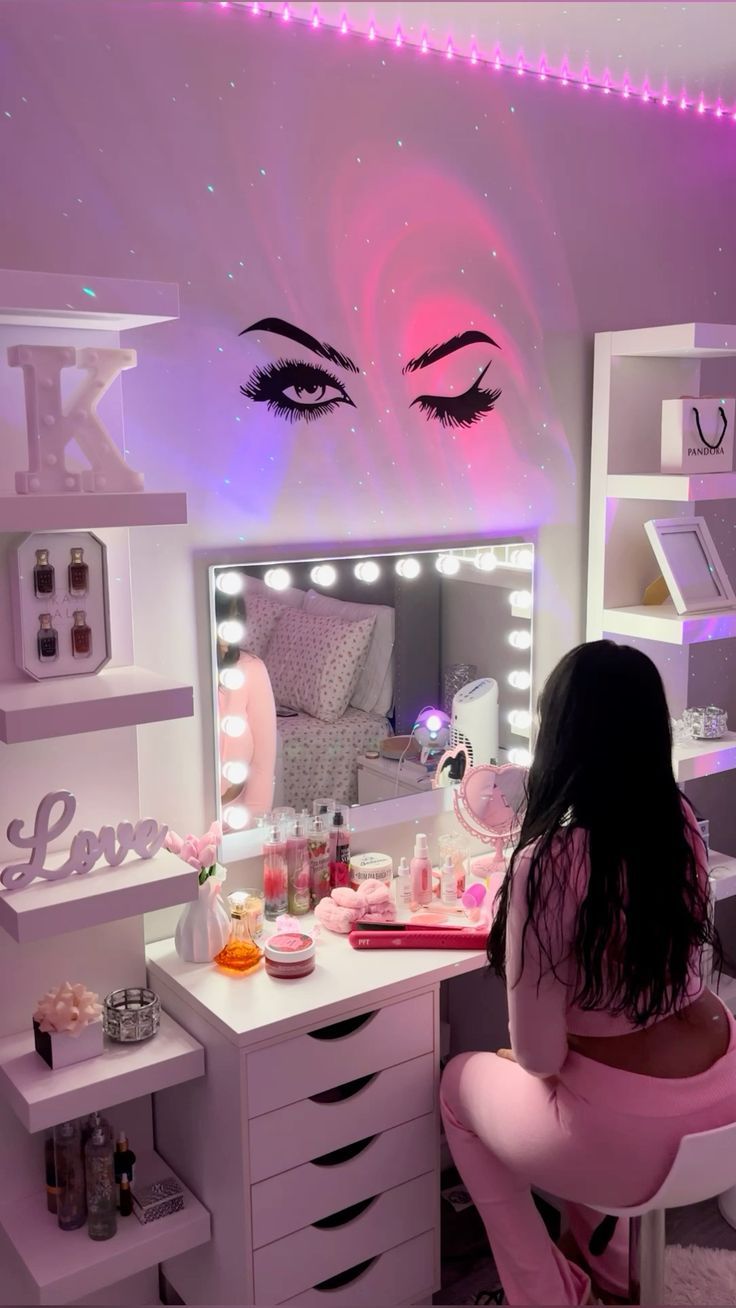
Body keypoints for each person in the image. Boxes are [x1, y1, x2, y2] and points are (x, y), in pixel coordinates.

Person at [441, 640, 736, 1306]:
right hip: (723, 1093)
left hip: (636, 1137)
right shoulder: (681, 823)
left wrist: (522, 1058)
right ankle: (610, 1269)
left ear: (561, 735)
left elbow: (542, 1057)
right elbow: (679, 979)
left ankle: (545, 1292)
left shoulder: (548, 864)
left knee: (462, 1086)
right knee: (578, 1078)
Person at [216, 590, 277, 827]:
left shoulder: (251, 670)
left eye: (236, 619)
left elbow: (263, 763)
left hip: (237, 814)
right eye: (223, 620)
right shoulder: (185, 672)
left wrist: (253, 830)